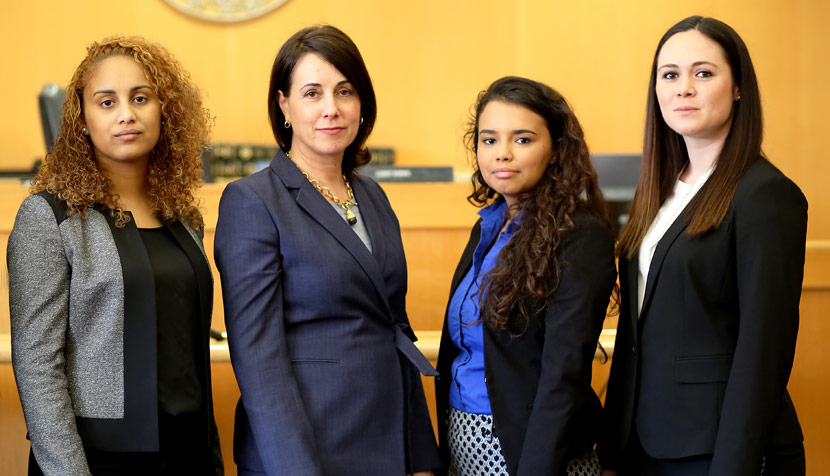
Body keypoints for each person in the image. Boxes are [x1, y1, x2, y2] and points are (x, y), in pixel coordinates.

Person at [213, 25, 440, 476]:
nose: (331, 109)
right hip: (307, 450)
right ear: (284, 105)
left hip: (387, 442)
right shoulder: (253, 200)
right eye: (312, 93)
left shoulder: (372, 195)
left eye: (345, 91)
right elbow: (259, 360)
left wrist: (420, 454)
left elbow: (394, 328)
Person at [598, 16, 807, 476]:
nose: (683, 88)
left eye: (703, 73)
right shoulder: (659, 191)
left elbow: (764, 350)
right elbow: (636, 339)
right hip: (642, 444)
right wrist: (613, 448)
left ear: (737, 88)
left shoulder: (766, 195)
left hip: (720, 451)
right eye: (669, 74)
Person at [8, 36, 223, 475]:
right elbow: (37, 367)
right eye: (106, 102)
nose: (126, 114)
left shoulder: (184, 218)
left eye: (140, 97)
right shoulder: (49, 216)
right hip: (95, 460)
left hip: (188, 454)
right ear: (81, 120)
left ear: (164, 111)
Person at [434, 76, 617, 476]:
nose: (502, 154)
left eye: (522, 140)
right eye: (489, 140)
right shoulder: (487, 226)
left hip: (533, 453)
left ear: (555, 151)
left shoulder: (580, 235)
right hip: (463, 446)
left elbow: (564, 372)